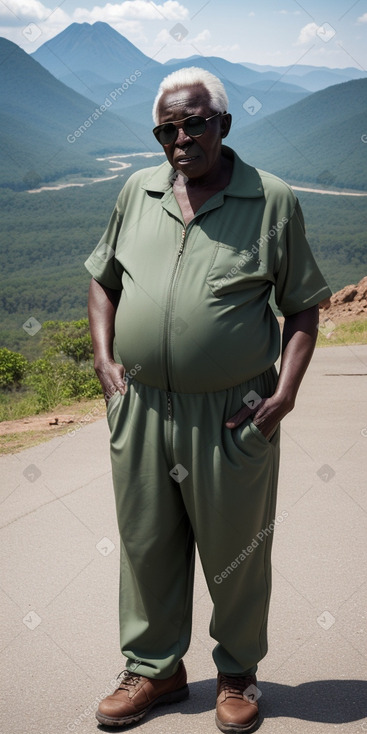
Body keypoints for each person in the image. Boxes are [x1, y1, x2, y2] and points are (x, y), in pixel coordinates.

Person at [85, 67, 332, 733]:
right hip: (139, 409)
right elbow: (103, 279)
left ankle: (236, 677)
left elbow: (304, 306)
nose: (179, 139)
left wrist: (282, 395)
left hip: (231, 414)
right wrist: (105, 358)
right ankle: (154, 671)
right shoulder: (137, 191)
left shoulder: (270, 200)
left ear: (222, 123)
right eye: (166, 129)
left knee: (237, 552)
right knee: (145, 545)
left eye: (193, 123)